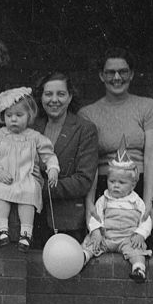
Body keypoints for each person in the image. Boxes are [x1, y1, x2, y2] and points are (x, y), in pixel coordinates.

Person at [79, 47, 153, 252]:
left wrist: (148, 201)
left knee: (146, 245)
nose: (117, 77)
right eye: (110, 72)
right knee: (101, 246)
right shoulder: (88, 113)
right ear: (101, 75)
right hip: (104, 188)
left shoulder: (148, 107)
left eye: (123, 71)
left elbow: (152, 156)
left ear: (132, 74)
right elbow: (89, 162)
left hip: (143, 184)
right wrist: (90, 203)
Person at [0, 88, 59, 250]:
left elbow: (48, 155)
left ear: (29, 115)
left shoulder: (35, 137)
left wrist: (52, 168)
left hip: (25, 178)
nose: (13, 120)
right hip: (4, 177)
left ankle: (26, 233)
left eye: (19, 115)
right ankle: (2, 230)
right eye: (9, 115)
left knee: (30, 192)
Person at [32, 71, 99, 245]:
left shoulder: (85, 129)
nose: (54, 99)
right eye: (48, 94)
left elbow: (84, 180)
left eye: (61, 94)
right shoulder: (31, 127)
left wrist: (40, 190)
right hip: (31, 218)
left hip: (67, 220)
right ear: (41, 97)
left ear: (70, 97)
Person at [82, 151, 153, 282]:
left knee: (136, 250)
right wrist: (96, 231)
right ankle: (82, 258)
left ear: (133, 184)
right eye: (112, 181)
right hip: (106, 236)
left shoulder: (137, 202)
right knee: (92, 243)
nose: (115, 185)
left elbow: (146, 220)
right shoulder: (104, 199)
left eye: (121, 182)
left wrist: (141, 234)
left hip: (128, 238)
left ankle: (138, 269)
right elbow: (95, 216)